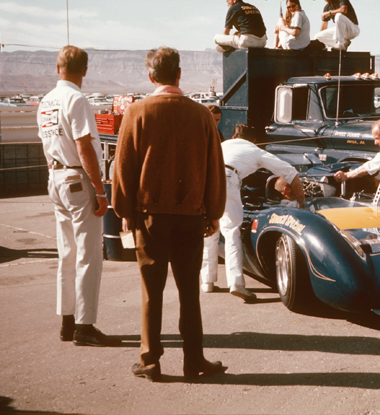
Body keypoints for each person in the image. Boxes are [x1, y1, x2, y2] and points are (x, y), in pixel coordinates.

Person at [111, 46, 227, 382]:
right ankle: (194, 361)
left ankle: (150, 361)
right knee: (190, 292)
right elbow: (213, 168)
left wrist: (125, 210)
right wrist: (214, 211)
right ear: (179, 74)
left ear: (151, 76)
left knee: (152, 290)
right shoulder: (202, 115)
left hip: (149, 217)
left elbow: (124, 167)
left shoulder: (137, 112)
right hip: (192, 216)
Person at [37, 45, 120, 348]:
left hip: (55, 178)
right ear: (84, 70)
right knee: (88, 255)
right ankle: (85, 326)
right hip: (76, 179)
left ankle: (67, 321)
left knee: (67, 254)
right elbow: (84, 146)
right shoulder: (76, 99)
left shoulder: (46, 102)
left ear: (57, 68)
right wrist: (99, 191)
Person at [201, 124, 305, 301]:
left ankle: (207, 282)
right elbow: (290, 172)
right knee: (232, 231)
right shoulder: (255, 150)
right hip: (228, 178)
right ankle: (236, 283)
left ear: (234, 137)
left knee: (210, 230)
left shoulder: (223, 145)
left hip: (204, 178)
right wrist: (301, 202)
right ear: (254, 140)